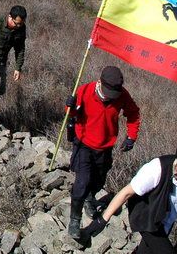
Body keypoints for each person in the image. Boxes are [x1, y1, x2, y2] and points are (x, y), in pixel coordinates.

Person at [81, 136, 177, 253]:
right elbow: (126, 193)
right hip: (146, 214)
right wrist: (101, 220)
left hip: (165, 220)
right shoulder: (157, 169)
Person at [65, 66, 141, 239]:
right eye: (107, 92)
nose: (109, 97)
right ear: (99, 82)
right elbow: (72, 113)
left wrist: (131, 136)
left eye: (113, 94)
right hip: (84, 143)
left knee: (99, 179)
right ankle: (74, 220)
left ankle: (89, 198)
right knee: (82, 182)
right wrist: (69, 106)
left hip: (105, 146)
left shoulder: (122, 95)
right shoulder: (85, 90)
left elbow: (133, 114)